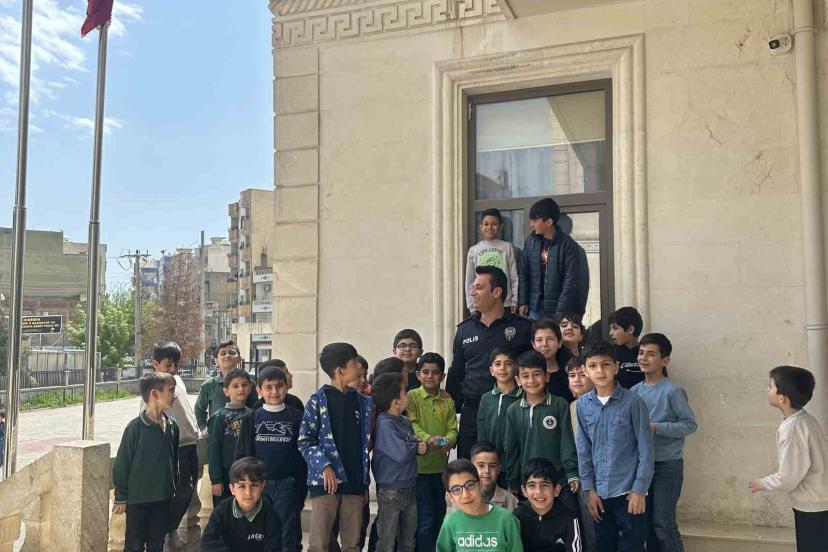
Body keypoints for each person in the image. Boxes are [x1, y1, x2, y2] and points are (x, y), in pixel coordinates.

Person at [447, 265, 532, 459]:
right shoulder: (464, 330)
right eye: (473, 287)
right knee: (468, 468)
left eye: (479, 287)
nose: (472, 293)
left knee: (510, 465)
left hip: (511, 407)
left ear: (496, 292)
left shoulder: (522, 328)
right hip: (473, 411)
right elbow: (457, 372)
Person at [576, 341, 653, 552]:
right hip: (599, 495)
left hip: (628, 493)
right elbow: (583, 450)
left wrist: (639, 490)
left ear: (616, 367)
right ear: (585, 370)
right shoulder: (583, 405)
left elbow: (646, 450)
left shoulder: (633, 402)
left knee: (632, 546)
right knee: (604, 545)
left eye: (606, 364)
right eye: (593, 366)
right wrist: (589, 490)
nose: (600, 371)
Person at [298, 343, 372, 552]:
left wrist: (364, 483)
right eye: (354, 362)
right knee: (319, 544)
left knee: (352, 543)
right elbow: (305, 440)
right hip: (325, 485)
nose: (359, 366)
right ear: (340, 371)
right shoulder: (317, 401)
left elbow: (363, 446)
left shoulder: (362, 402)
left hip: (354, 484)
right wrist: (325, 467)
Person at [749, 366, 828, 552]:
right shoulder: (806, 420)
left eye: (770, 386)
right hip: (819, 502)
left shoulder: (793, 430)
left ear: (782, 398)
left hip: (812, 507)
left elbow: (788, 477)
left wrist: (762, 483)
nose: (767, 389)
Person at [631, 333, 697, 552]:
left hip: (667, 466)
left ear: (665, 360)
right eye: (641, 353)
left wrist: (656, 428)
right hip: (641, 467)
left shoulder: (673, 391)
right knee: (646, 524)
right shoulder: (634, 392)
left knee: (663, 523)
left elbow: (689, 425)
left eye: (651, 354)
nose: (644, 358)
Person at [235, 365, 304, 552]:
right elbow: (242, 453)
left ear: (287, 387)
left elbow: (302, 455)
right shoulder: (252, 418)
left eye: (279, 386)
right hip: (257, 484)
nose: (274, 392)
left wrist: (300, 485)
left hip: (286, 484)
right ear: (259, 390)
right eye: (268, 387)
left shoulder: (297, 417)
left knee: (286, 532)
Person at [112, 372, 180, 552]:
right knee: (134, 545)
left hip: (163, 498)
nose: (175, 395)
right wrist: (121, 495)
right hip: (138, 500)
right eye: (171, 390)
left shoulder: (172, 425)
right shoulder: (135, 428)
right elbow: (122, 463)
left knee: (157, 544)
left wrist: (173, 488)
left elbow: (174, 460)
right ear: (154, 394)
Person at [144, 342, 199, 546]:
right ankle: (165, 531)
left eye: (176, 364)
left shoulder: (178, 381)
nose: (173, 369)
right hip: (174, 447)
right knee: (181, 491)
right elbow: (149, 417)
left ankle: (171, 528)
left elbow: (185, 411)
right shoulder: (153, 387)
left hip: (190, 443)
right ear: (155, 364)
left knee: (188, 491)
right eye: (168, 365)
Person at [503, 351, 579, 498]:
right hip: (529, 482)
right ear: (518, 380)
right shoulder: (513, 410)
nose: (531, 380)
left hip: (559, 481)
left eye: (536, 374)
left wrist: (572, 473)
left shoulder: (560, 405)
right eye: (525, 376)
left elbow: (567, 442)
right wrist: (513, 481)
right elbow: (511, 449)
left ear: (547, 376)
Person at [408, 352, 458, 552]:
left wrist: (448, 440)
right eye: (425, 372)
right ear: (418, 375)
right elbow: (412, 424)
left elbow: (453, 427)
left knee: (439, 516)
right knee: (425, 521)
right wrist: (429, 439)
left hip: (440, 470)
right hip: (419, 470)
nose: (430, 376)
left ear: (442, 376)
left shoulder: (447, 400)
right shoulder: (412, 397)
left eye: (435, 373)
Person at [372, 373, 428, 552]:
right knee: (386, 543)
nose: (408, 395)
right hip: (391, 492)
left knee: (408, 542)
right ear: (396, 402)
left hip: (410, 487)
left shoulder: (404, 421)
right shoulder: (385, 424)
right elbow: (401, 452)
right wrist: (415, 446)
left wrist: (417, 445)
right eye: (405, 392)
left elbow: (412, 442)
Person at [517, 197, 588, 320]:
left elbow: (570, 282)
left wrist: (560, 313)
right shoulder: (530, 242)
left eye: (535, 220)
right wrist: (523, 301)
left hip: (558, 309)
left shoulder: (568, 245)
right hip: (535, 308)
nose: (531, 224)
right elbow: (524, 273)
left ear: (549, 222)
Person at [436, 459, 523, 552]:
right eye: (456, 490)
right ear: (450, 496)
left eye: (470, 485)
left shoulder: (506, 519)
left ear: (480, 484)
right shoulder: (450, 523)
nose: (465, 495)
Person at [201, 457, 283, 552]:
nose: (248, 493)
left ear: (262, 486)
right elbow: (208, 543)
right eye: (241, 486)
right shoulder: (222, 511)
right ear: (232, 489)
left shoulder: (270, 515)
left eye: (254, 485)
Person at [513, 459, 582, 552]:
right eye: (532, 485)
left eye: (544, 485)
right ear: (524, 491)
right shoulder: (517, 517)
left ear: (556, 490)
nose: (538, 491)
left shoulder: (569, 518)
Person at [208, 368, 254, 506]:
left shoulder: (253, 415)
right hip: (225, 472)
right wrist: (216, 479)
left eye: (244, 385)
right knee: (224, 508)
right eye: (235, 386)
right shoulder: (219, 417)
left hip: (248, 470)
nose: (241, 389)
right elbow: (214, 449)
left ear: (250, 388)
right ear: (226, 391)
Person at [566, 356, 597, 552]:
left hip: (604, 476)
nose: (577, 379)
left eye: (582, 374)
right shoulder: (571, 407)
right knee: (588, 529)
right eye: (572, 375)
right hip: (581, 476)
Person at [476, 348, 522, 474]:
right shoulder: (486, 399)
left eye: (508, 363)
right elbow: (482, 435)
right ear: (491, 370)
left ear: (516, 368)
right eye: (497, 364)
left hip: (519, 464)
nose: (502, 368)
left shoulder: (524, 396)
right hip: (492, 466)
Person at [465, 208, 519, 314]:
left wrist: (514, 300)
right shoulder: (474, 250)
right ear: (481, 227)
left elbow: (514, 276)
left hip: (504, 303)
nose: (489, 227)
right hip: (482, 303)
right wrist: (471, 305)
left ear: (501, 226)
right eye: (486, 224)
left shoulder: (507, 247)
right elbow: (469, 280)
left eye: (494, 224)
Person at [195, 340, 256, 431]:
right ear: (216, 361)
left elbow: (255, 408)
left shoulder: (250, 384)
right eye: (223, 353)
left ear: (239, 359)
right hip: (218, 433)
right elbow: (199, 409)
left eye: (232, 353)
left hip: (244, 433)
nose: (227, 355)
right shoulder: (208, 385)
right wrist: (204, 428)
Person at [466, 441, 517, 512]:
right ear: (471, 468)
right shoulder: (462, 498)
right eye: (481, 465)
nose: (487, 471)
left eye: (492, 466)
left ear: (499, 469)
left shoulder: (511, 501)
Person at [532, 319, 574, 403]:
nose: (545, 344)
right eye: (539, 340)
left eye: (550, 339)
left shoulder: (570, 373)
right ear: (533, 345)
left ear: (559, 343)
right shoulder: (528, 375)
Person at [608, 307, 646, 389]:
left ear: (630, 329)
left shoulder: (648, 353)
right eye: (610, 328)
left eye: (615, 328)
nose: (610, 333)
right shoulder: (609, 353)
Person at [0, 408, 6, 473]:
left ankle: (1, 464)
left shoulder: (3, 424)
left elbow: (4, 433)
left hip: (1, 440)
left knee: (1, 453)